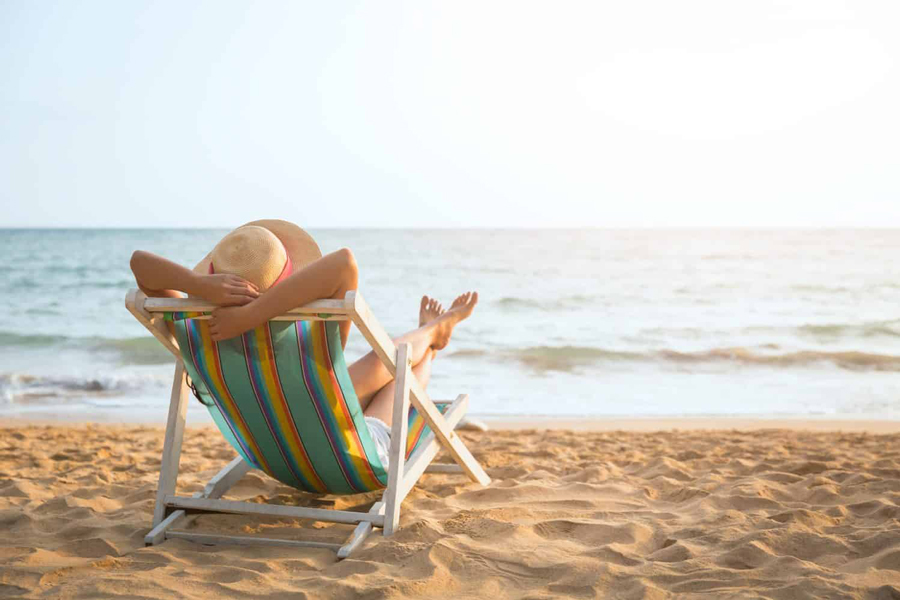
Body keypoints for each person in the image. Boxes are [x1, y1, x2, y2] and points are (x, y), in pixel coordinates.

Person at [129, 219, 478, 467]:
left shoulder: (196, 332)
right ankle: (433, 337)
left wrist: (200, 287)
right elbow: (345, 262)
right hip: (345, 452)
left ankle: (433, 330)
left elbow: (139, 264)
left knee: (380, 363)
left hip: (273, 451)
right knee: (402, 366)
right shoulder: (303, 346)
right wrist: (254, 315)